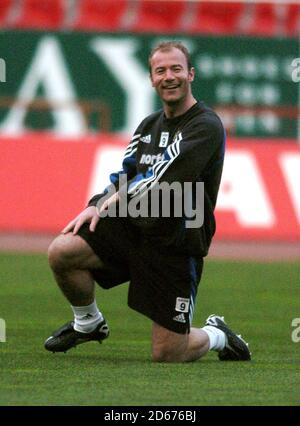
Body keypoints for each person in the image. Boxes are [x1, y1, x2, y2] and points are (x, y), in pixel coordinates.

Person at [45, 41, 251, 363]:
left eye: (176, 69)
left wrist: (111, 200)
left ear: (190, 75)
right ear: (151, 79)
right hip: (135, 227)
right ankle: (88, 324)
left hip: (176, 241)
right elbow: (125, 174)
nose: (169, 76)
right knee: (62, 251)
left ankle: (218, 335)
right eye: (161, 71)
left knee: (168, 354)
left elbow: (160, 179)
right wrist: (95, 202)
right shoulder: (148, 125)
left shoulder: (206, 126)